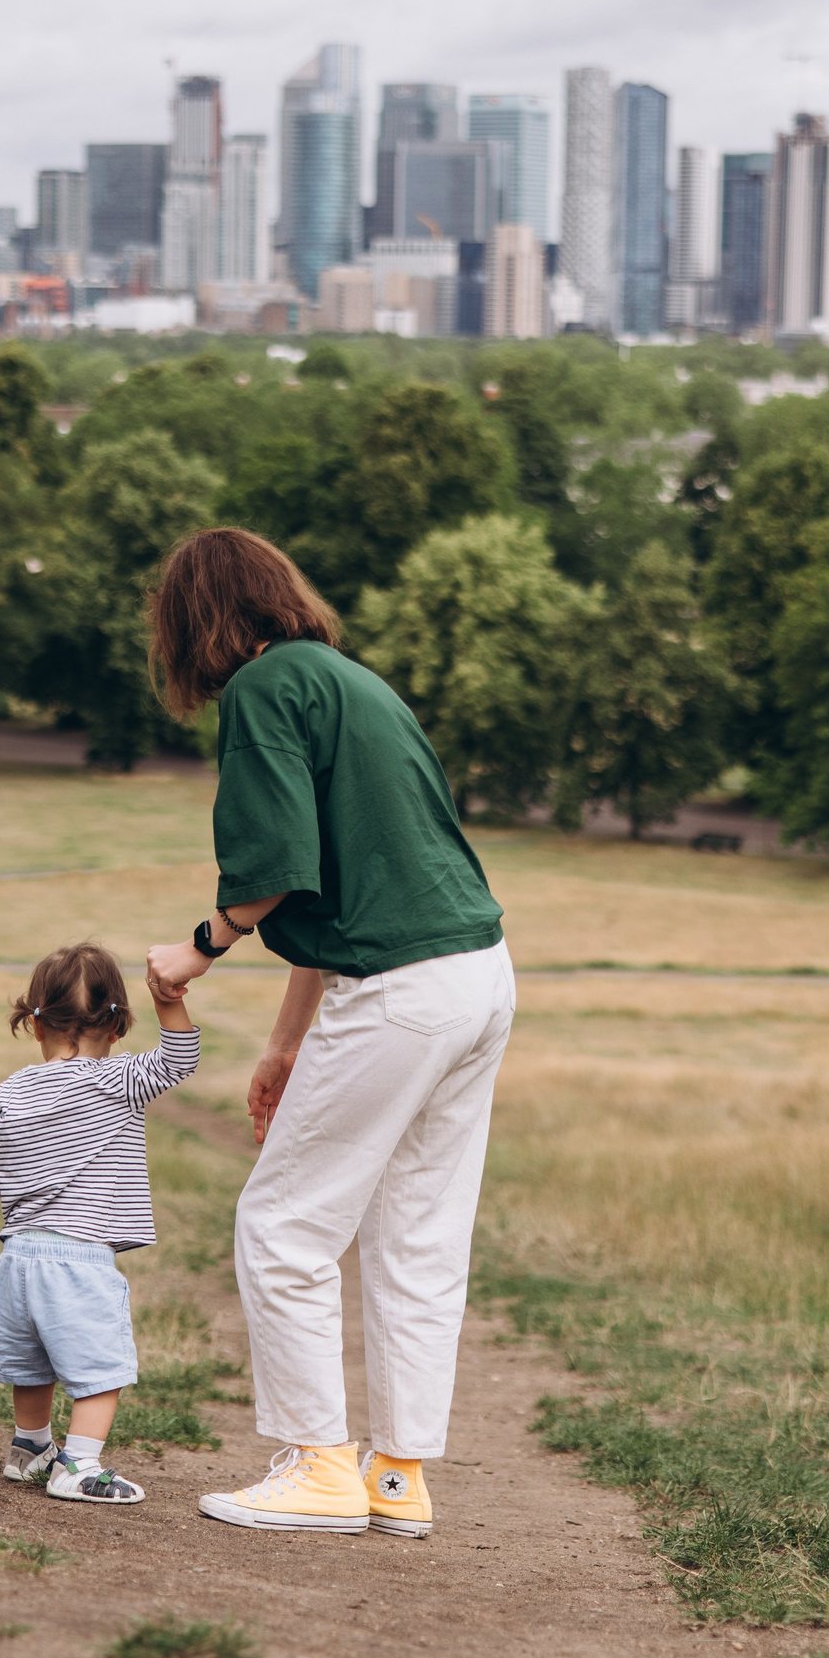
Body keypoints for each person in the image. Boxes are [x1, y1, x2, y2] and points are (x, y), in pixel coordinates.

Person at [142, 527, 514, 1540]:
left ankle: (316, 1466)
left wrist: (199, 947)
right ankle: (395, 1474)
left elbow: (274, 866)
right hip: (476, 974)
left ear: (194, 622)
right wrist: (284, 1041)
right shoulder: (351, 682)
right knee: (417, 1231)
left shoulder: (263, 692)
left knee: (284, 1225)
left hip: (400, 988)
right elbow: (344, 868)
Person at [0, 941, 200, 1506]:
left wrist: (22, 1193)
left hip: (18, 1254)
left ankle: (30, 1448)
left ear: (35, 1021)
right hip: (80, 1257)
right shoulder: (120, 1078)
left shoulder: (13, 1087)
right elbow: (180, 1056)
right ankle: (78, 1465)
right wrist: (167, 999)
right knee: (101, 1367)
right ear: (117, 1024)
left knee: (33, 1359)